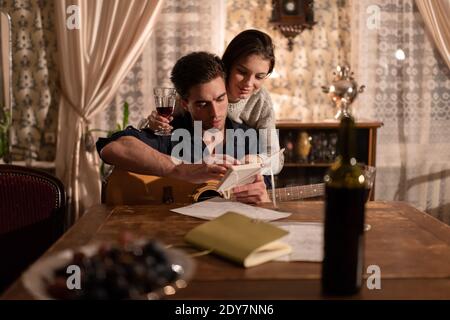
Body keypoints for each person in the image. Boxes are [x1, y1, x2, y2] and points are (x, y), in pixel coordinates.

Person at [97, 51, 270, 204]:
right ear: (185, 104)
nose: (215, 113)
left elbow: (267, 195)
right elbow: (113, 148)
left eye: (220, 99)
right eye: (203, 104)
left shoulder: (249, 137)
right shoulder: (169, 133)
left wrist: (265, 199)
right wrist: (182, 170)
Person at [144, 29, 283, 174]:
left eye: (259, 77)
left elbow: (275, 159)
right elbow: (159, 123)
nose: (248, 83)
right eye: (242, 72)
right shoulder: (204, 88)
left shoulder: (260, 101)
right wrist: (152, 124)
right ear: (228, 66)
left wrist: (257, 161)